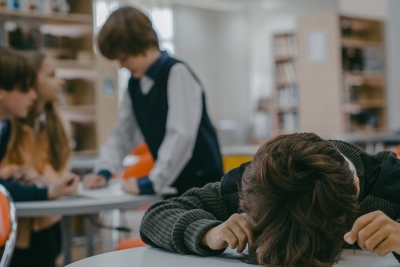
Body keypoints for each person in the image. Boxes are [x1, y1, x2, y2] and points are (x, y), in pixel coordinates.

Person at [140, 132, 400, 267]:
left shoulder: (391, 183)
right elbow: (156, 216)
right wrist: (208, 232)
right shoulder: (254, 184)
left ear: (355, 192)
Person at [83, 6, 223, 196]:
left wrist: (152, 182)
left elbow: (180, 136)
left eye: (124, 58)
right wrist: (104, 170)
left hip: (201, 183)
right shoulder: (135, 84)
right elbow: (122, 134)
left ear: (144, 45)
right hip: (172, 182)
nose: (122, 65)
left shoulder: (176, 73)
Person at [0, 51, 77, 267]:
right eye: (51, 75)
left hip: (46, 221)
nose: (59, 81)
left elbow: (61, 167)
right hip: (19, 221)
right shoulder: (10, 125)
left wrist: (44, 180)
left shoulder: (55, 124)